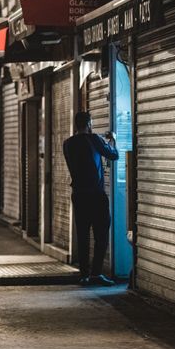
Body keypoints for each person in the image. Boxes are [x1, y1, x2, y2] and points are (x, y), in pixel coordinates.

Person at [63, 111, 119, 286]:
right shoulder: (94, 139)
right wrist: (113, 139)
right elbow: (113, 155)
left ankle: (84, 275)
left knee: (83, 234)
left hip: (78, 195)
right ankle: (96, 273)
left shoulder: (68, 143)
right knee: (101, 234)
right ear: (88, 124)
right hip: (95, 194)